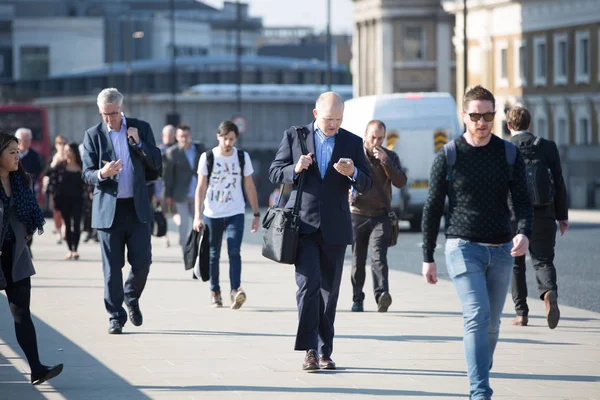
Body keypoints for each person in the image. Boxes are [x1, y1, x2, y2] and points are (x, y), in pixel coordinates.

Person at [421, 85, 532, 400]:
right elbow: (432, 208)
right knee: (478, 315)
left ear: (495, 116)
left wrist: (523, 231)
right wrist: (428, 256)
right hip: (462, 246)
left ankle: (479, 367)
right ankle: (480, 392)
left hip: (501, 250)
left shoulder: (508, 153)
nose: (482, 122)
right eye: (475, 116)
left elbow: (523, 201)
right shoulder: (449, 156)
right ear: (463, 117)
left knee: (492, 325)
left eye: (487, 116)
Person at [269, 92, 371, 371]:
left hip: (336, 228)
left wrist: (352, 173)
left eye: (338, 120)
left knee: (330, 292)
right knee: (308, 287)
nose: (333, 125)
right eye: (328, 119)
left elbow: (367, 183)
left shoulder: (351, 141)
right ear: (316, 114)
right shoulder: (295, 136)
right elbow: (274, 172)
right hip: (302, 225)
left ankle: (326, 351)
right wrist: (295, 168)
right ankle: (310, 351)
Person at [82, 88, 162, 334]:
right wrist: (102, 174)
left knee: (143, 263)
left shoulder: (140, 128)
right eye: (104, 114)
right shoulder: (92, 135)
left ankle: (131, 295)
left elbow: (156, 163)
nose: (109, 119)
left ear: (121, 109)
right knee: (111, 268)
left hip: (136, 209)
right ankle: (115, 316)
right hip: (109, 211)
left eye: (113, 113)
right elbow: (86, 173)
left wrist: (139, 143)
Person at [0, 131, 63, 385]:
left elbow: (30, 215)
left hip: (15, 256)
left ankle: (36, 368)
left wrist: (23, 236)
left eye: (18, 152)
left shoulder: (22, 181)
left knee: (22, 313)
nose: (17, 156)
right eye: (11, 152)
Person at [506, 106, 569, 329]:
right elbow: (559, 183)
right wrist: (562, 215)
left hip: (513, 214)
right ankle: (548, 292)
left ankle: (521, 313)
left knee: (516, 264)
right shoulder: (547, 147)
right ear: (529, 124)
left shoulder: (505, 148)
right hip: (544, 212)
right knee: (543, 260)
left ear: (509, 125)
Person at [192, 120, 260, 309]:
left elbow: (249, 185)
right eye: (225, 139)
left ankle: (235, 290)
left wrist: (256, 214)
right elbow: (201, 187)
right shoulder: (208, 157)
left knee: (234, 251)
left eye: (232, 139)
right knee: (213, 254)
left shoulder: (242, 157)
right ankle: (215, 291)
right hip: (212, 212)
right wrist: (197, 216)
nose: (228, 143)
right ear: (218, 137)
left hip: (235, 211)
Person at [349, 120, 407, 313]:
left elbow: (400, 182)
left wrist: (385, 162)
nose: (376, 141)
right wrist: (346, 194)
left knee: (378, 258)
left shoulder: (390, 156)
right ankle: (357, 298)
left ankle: (382, 295)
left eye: (381, 138)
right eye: (373, 137)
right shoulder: (355, 156)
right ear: (365, 135)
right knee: (358, 260)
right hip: (357, 214)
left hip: (380, 216)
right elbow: (341, 179)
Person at [163, 124, 205, 253]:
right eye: (181, 136)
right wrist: (168, 196)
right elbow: (168, 177)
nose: (184, 138)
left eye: (186, 136)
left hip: (198, 193)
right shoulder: (172, 153)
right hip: (180, 194)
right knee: (184, 224)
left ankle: (200, 249)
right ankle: (185, 251)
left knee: (200, 222)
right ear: (176, 137)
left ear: (190, 135)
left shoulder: (198, 149)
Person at [46, 142, 87, 260]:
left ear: (75, 152)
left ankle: (76, 249)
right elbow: (50, 176)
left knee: (77, 225)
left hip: (78, 200)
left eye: (69, 150)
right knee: (68, 224)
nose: (67, 153)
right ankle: (70, 249)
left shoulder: (81, 166)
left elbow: (88, 183)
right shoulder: (60, 166)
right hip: (64, 200)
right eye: (66, 150)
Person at [15, 128, 44, 251]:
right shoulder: (12, 154)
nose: (25, 143)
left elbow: (38, 171)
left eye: (28, 140)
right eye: (22, 140)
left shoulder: (34, 155)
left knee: (30, 220)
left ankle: (28, 246)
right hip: (14, 191)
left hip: (29, 192)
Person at [44, 135, 68, 244]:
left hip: (67, 189)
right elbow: (47, 172)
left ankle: (64, 230)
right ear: (56, 145)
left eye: (64, 143)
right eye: (60, 143)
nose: (62, 145)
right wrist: (55, 162)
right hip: (55, 189)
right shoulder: (54, 157)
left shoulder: (69, 156)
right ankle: (59, 232)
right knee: (57, 212)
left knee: (66, 212)